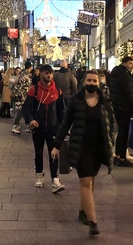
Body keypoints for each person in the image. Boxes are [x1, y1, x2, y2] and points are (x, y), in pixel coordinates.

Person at [51, 70, 116, 237]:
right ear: (83, 82)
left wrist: (112, 142)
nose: (92, 83)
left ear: (99, 83)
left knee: (91, 180)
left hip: (98, 148)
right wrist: (56, 145)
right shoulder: (75, 100)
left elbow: (111, 124)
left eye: (95, 81)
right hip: (81, 147)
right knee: (86, 181)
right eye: (89, 80)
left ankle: (82, 210)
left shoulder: (104, 100)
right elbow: (66, 123)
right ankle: (93, 221)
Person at [22, 64, 65, 193]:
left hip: (53, 128)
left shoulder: (57, 90)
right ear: (40, 74)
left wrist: (63, 126)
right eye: (46, 73)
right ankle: (39, 175)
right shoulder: (33, 90)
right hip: (38, 128)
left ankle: (55, 179)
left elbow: (62, 110)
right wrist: (30, 120)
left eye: (50, 73)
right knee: (39, 152)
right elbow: (26, 108)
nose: (49, 75)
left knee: (54, 153)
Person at [109, 56, 133, 167]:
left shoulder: (117, 74)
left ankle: (117, 155)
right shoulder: (125, 76)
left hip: (118, 106)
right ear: (125, 63)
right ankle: (122, 157)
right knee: (124, 132)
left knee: (121, 131)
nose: (132, 66)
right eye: (130, 63)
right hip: (124, 107)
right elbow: (129, 93)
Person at [11, 61, 33, 134]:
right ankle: (16, 126)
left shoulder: (22, 73)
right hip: (23, 95)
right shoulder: (26, 74)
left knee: (24, 111)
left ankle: (28, 126)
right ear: (30, 67)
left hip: (22, 95)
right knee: (21, 111)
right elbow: (25, 86)